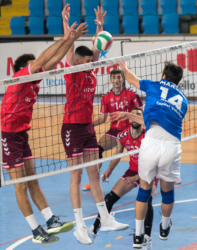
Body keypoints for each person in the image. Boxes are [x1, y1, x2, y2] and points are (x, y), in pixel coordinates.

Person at [0, 22, 88, 245]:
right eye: (33, 66)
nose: (38, 69)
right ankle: (35, 230)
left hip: (21, 135)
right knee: (20, 185)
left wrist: (71, 39)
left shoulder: (33, 81)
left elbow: (52, 61)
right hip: (7, 136)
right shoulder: (18, 79)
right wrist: (64, 39)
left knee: (33, 180)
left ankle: (50, 220)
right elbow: (42, 61)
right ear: (21, 69)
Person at [61, 5, 128, 245]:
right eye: (88, 60)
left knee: (95, 174)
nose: (93, 63)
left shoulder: (90, 72)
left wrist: (100, 26)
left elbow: (97, 49)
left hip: (88, 128)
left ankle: (105, 217)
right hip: (71, 129)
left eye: (93, 60)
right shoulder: (72, 71)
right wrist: (66, 26)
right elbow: (69, 49)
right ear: (78, 61)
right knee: (76, 176)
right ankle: (79, 226)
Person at [111, 61, 188, 248]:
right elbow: (164, 121)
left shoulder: (154, 85)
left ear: (163, 75)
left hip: (151, 144)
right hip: (171, 146)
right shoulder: (183, 100)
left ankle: (138, 237)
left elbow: (130, 79)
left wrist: (125, 66)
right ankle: (164, 228)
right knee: (167, 191)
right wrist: (129, 116)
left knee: (144, 190)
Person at [90, 108, 159, 245]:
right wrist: (109, 170)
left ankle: (147, 238)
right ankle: (94, 230)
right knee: (109, 198)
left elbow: (153, 164)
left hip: (150, 172)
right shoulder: (123, 136)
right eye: (133, 115)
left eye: (138, 115)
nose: (135, 117)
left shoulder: (149, 137)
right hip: (133, 170)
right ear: (129, 118)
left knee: (147, 200)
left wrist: (135, 178)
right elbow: (118, 155)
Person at [82, 69, 143, 191]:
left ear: (122, 79)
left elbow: (141, 111)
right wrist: (88, 125)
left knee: (145, 154)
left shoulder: (131, 94)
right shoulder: (106, 97)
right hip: (114, 131)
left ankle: (166, 177)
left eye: (119, 77)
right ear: (110, 80)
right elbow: (102, 118)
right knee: (97, 150)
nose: (116, 80)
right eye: (114, 77)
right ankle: (94, 180)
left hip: (131, 130)